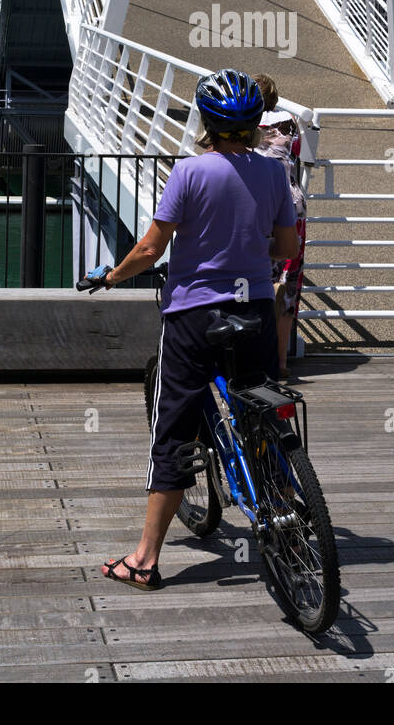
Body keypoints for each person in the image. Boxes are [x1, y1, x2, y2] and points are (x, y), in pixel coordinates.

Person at [85, 68, 299, 591]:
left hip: (194, 317)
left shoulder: (189, 172)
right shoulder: (274, 174)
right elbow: (287, 249)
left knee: (174, 431)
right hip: (254, 315)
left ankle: (143, 559)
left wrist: (111, 276)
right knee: (262, 406)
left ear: (206, 120)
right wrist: (251, 255)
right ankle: (287, 508)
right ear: (253, 125)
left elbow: (151, 250)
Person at [252, 73, 307, 380]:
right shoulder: (288, 122)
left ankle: (254, 359)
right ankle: (281, 363)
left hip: (259, 208)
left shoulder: (243, 128)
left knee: (253, 282)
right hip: (293, 205)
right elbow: (295, 153)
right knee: (288, 285)